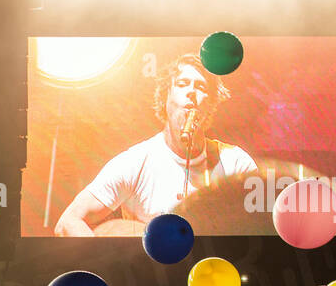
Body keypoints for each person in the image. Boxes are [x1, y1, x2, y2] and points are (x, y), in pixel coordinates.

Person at [54, 54, 258, 237]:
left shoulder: (236, 163)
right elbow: (67, 223)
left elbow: (260, 227)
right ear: (165, 98)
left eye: (201, 87)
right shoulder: (135, 162)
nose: (192, 92)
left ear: (210, 105)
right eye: (183, 83)